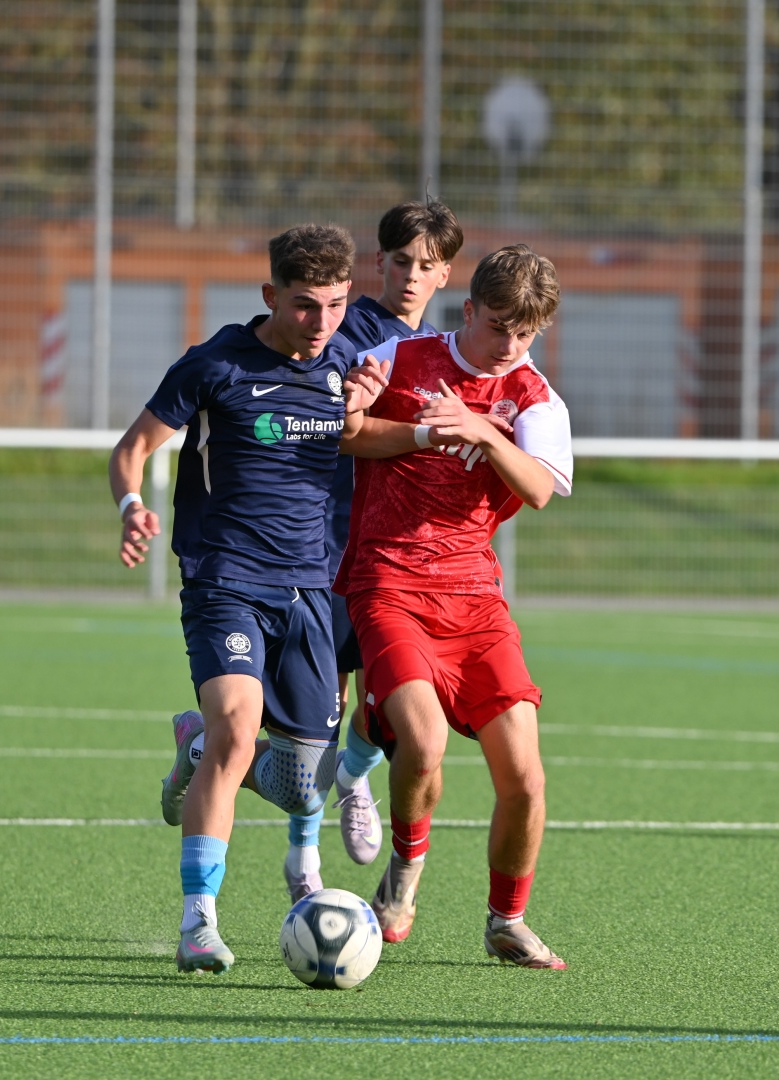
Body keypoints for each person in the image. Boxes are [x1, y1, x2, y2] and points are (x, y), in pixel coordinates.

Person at [109, 224, 386, 974]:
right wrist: (131, 505)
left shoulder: (347, 367)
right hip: (224, 578)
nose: (321, 321)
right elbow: (132, 447)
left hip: (311, 589)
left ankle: (193, 746)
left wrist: (392, 419)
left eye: (335, 304)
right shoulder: (215, 364)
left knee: (303, 790)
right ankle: (198, 921)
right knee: (237, 731)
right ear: (270, 295)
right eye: (304, 305)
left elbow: (370, 437)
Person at [334, 244, 573, 968]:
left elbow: (539, 487)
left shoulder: (534, 396)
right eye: (497, 326)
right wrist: (371, 411)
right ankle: (404, 872)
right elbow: (345, 433)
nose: (509, 345)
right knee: (424, 741)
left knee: (525, 779)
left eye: (525, 333)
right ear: (467, 310)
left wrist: (481, 430)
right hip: (387, 582)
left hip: (474, 598)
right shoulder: (398, 357)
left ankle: (506, 920)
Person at [311, 199, 464, 883]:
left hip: (394, 549)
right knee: (323, 705)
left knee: (393, 704)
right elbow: (339, 428)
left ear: (445, 275)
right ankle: (304, 859)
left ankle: (353, 776)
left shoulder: (439, 351)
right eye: (401, 261)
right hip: (324, 537)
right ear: (380, 262)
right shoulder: (346, 333)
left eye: (426, 265)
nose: (411, 275)